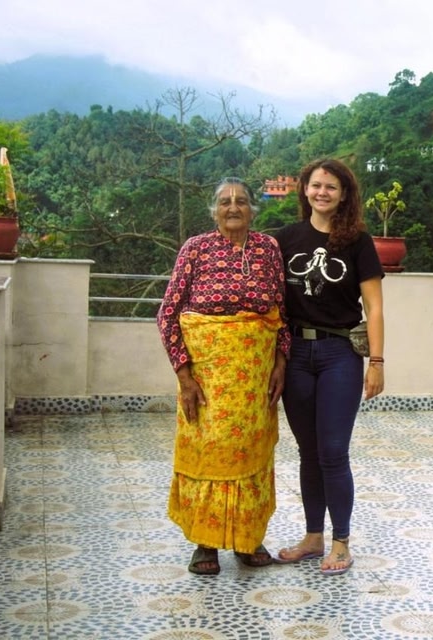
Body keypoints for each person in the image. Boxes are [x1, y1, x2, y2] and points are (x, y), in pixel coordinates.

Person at [157, 177, 291, 575]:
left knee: (251, 453)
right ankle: (206, 542)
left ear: (253, 209)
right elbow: (168, 314)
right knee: (211, 453)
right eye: (225, 201)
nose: (233, 207)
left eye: (242, 201)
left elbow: (281, 313)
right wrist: (185, 376)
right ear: (214, 210)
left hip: (254, 381)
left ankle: (249, 538)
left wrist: (280, 363)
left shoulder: (268, 249)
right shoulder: (196, 248)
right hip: (206, 381)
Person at [273, 158, 385, 575]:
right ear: (305, 189)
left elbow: (374, 308)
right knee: (308, 452)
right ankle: (312, 537)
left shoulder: (358, 241)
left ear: (343, 195)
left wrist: (376, 361)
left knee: (333, 452)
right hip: (296, 355)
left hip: (339, 353)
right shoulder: (284, 239)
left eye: (331, 187)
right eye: (316, 185)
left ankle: (340, 543)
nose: (322, 192)